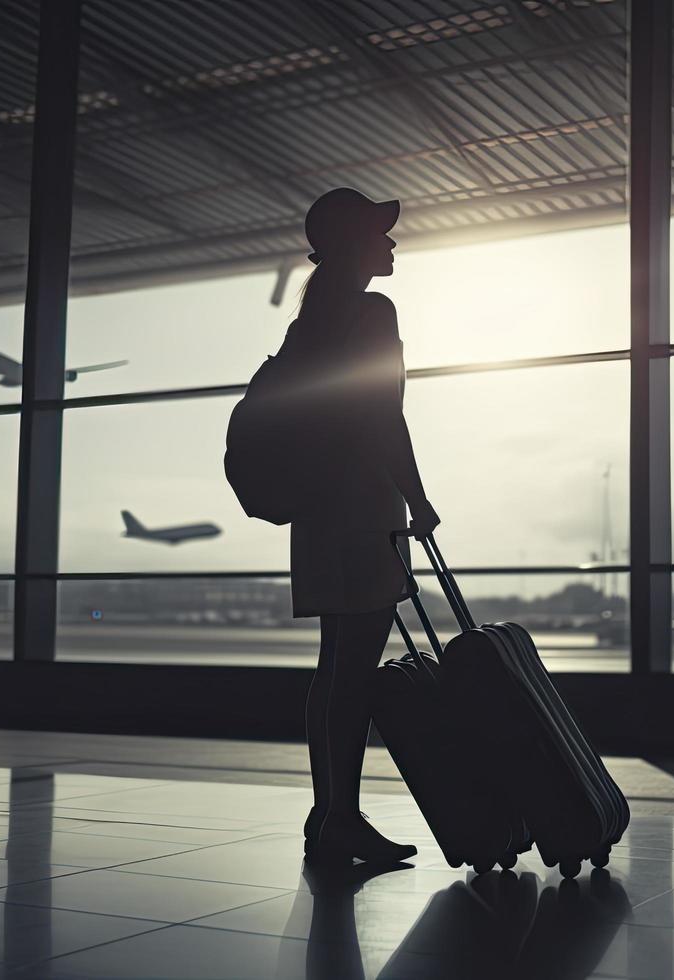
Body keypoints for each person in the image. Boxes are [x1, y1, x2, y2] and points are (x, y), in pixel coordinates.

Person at [285, 188, 440, 865]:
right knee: (354, 671)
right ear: (354, 245)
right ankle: (340, 818)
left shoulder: (310, 324)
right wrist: (419, 499)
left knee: (333, 668)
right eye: (381, 233)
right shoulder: (374, 312)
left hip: (317, 511)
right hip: (363, 508)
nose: (393, 242)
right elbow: (385, 415)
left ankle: (329, 815)